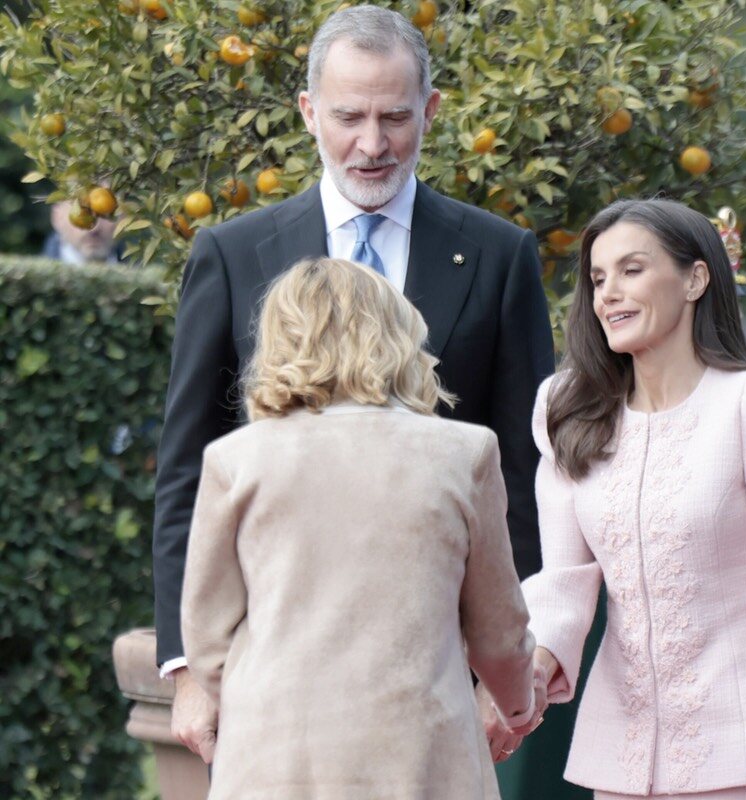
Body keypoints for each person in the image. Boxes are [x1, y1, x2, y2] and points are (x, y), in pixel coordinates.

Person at [153, 4, 554, 757]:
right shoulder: (232, 254)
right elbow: (187, 470)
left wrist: (502, 673)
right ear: (307, 112)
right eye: (348, 117)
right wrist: (188, 669)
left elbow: (523, 478)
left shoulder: (499, 257)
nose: (371, 145)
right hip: (269, 674)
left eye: (395, 118)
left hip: (436, 677)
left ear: (430, 112)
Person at [491, 199, 746, 798]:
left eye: (632, 270)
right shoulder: (567, 412)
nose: (608, 294)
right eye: (598, 278)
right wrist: (534, 671)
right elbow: (565, 580)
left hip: (745, 757)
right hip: (618, 762)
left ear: (696, 278)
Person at [180, 256, 544, 798]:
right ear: (398, 337)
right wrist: (516, 703)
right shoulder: (463, 453)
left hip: (274, 755)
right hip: (421, 752)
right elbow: (497, 629)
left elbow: (207, 638)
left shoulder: (236, 460)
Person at [42, 200, 121, 264]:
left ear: (123, 217)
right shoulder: (33, 282)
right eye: (82, 214)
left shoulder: (133, 276)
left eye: (104, 215)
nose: (94, 229)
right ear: (57, 217)